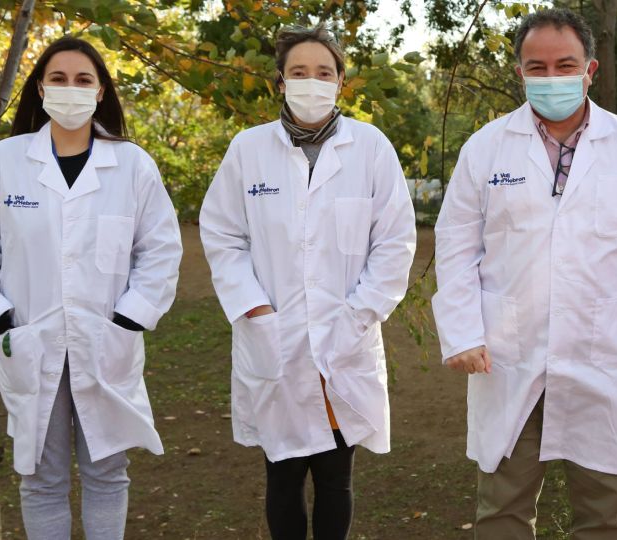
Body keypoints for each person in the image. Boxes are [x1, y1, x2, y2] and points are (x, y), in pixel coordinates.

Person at [431, 8, 617, 539]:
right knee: (501, 511)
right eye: (537, 67)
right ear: (521, 72)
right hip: (507, 354)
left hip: (604, 353)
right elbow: (456, 245)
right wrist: (461, 333)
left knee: (605, 517)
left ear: (590, 69)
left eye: (564, 64)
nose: (551, 78)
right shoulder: (485, 148)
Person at [0, 36, 182, 539]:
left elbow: (160, 250)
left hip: (106, 340)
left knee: (106, 473)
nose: (70, 90)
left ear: (100, 93)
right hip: (32, 337)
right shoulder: (2, 163)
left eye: (83, 80)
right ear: (40, 89)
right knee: (40, 477)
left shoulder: (132, 165)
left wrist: (130, 317)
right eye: (58, 79)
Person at [199, 24, 416, 540]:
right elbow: (223, 235)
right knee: (283, 473)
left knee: (336, 477)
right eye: (299, 72)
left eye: (324, 72)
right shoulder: (249, 150)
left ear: (342, 81)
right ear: (280, 81)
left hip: (345, 337)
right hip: (275, 335)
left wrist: (360, 312)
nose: (311, 82)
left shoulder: (370, 148)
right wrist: (252, 307)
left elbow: (394, 241)